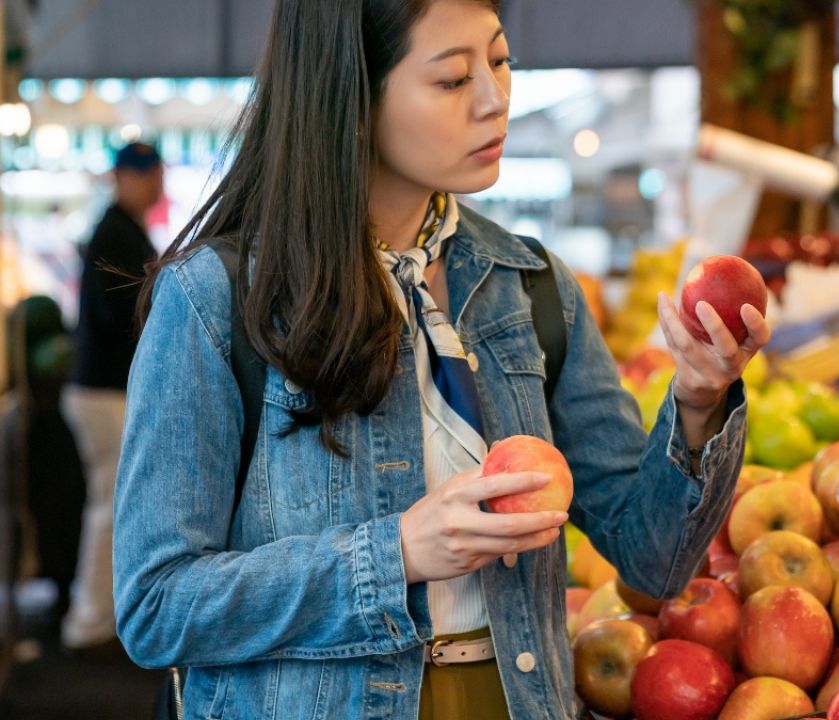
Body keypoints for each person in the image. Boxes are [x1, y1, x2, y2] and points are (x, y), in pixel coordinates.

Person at [112, 2, 767, 719]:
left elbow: (655, 561)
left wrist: (701, 401)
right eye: (454, 79)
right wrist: (395, 553)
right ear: (353, 97)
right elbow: (156, 606)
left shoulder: (530, 286)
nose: (495, 99)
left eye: (500, 60)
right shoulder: (215, 301)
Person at [62, 141, 163, 654]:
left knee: (111, 507)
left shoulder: (125, 230)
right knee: (110, 509)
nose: (153, 182)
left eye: (155, 171)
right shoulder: (114, 233)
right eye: (142, 173)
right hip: (103, 392)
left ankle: (100, 615)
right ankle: (90, 620)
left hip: (103, 390)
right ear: (119, 177)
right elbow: (116, 314)